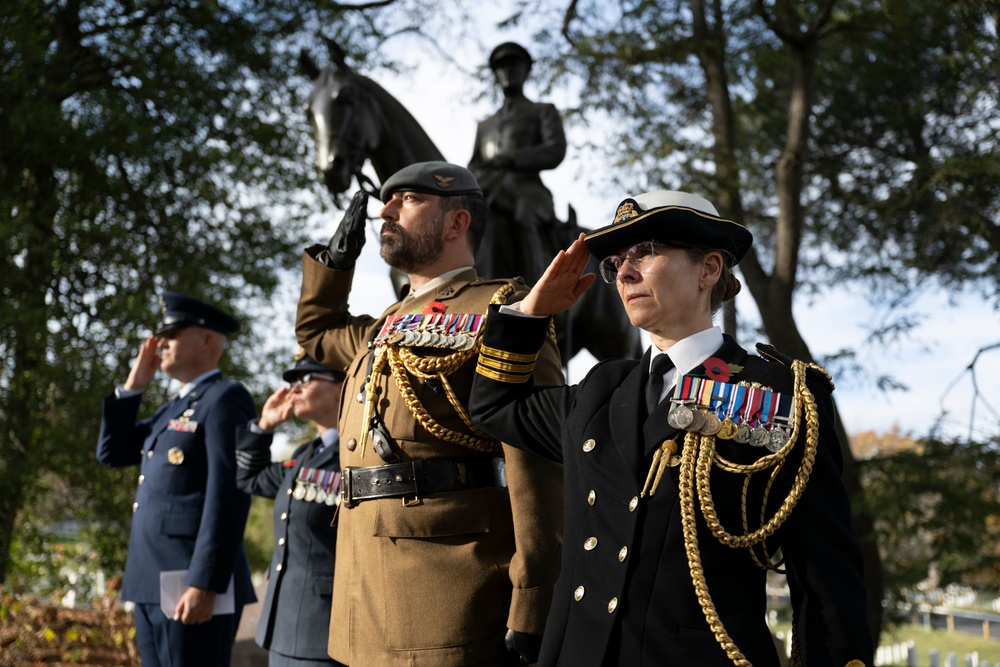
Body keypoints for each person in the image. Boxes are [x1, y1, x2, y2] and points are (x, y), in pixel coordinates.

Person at [468, 191, 875, 667]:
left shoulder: (782, 395)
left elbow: (827, 581)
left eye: (645, 252)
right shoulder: (600, 390)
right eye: (616, 261)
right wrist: (531, 313)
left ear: (709, 270)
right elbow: (493, 405)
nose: (623, 272)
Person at [295, 161, 565, 667]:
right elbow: (315, 333)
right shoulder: (384, 324)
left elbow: (537, 464)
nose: (386, 210)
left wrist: (533, 601)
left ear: (456, 223)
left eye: (409, 200)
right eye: (387, 201)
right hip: (361, 593)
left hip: (449, 594)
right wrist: (336, 261)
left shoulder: (502, 310)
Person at [96, 291, 257, 667]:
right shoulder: (173, 407)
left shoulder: (224, 399)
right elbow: (112, 452)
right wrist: (133, 387)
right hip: (152, 582)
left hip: (191, 585)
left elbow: (228, 496)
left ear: (206, 340)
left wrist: (205, 583)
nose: (160, 342)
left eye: (172, 333)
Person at [235, 349, 347, 667]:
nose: (293, 389)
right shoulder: (305, 455)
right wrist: (264, 425)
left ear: (343, 386)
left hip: (326, 630)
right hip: (283, 627)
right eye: (292, 381)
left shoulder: (360, 453)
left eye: (306, 379)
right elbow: (250, 478)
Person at [469, 41, 567, 284]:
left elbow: (555, 150)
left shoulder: (542, 111)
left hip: (527, 190)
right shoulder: (485, 125)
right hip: (489, 191)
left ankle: (538, 293)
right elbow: (474, 164)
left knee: (525, 217)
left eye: (514, 65)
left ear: (527, 70)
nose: (508, 71)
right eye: (501, 67)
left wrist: (513, 158)